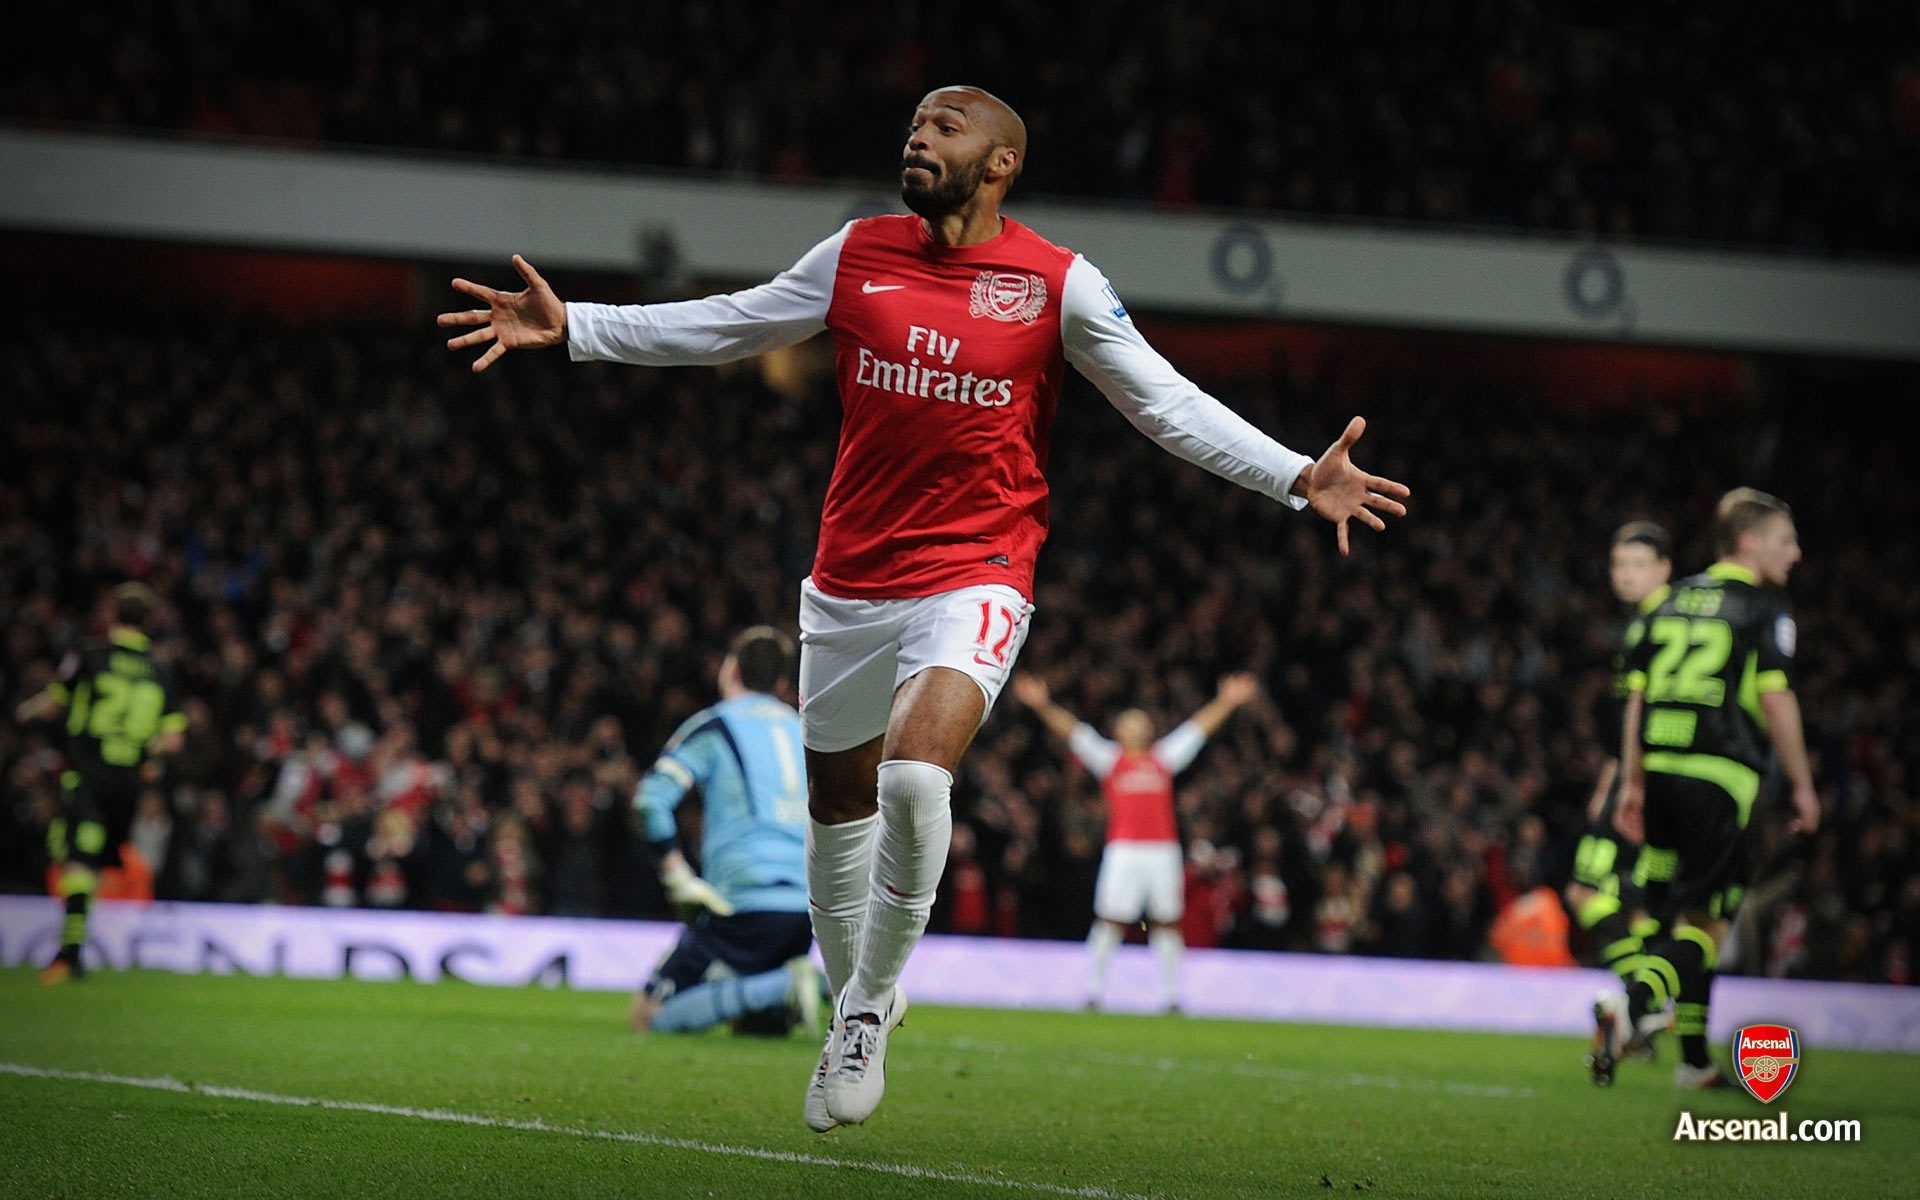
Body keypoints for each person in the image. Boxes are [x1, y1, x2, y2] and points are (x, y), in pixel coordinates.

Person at [440, 84, 1409, 1130]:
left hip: (979, 570)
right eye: (913, 123)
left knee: (912, 778)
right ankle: (857, 980)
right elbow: (731, 323)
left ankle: (863, 1009)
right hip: (850, 584)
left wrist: (1293, 476)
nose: (918, 135)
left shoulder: (1054, 283)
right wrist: (580, 325)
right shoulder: (857, 253)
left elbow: (1163, 401)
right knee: (837, 820)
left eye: (946, 126)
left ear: (1001, 164)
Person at [1615, 489, 1820, 1089]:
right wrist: (1804, 785)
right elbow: (1775, 697)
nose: (1798, 553)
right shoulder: (1764, 606)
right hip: (1720, 780)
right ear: (1750, 542)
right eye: (1787, 540)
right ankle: (1636, 1002)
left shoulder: (1669, 599)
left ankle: (1695, 1061)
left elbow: (1636, 698)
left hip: (1658, 774)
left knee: (1676, 915)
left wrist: (1632, 779)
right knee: (1710, 925)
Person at [1011, 671, 1260, 1013]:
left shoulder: (1163, 758)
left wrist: (1227, 701)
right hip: (1124, 850)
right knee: (1111, 919)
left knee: (1166, 920)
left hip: (1162, 851)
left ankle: (1172, 997)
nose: (1136, 726)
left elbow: (1198, 729)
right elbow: (1073, 732)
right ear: (1120, 731)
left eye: (1141, 722)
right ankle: (1092, 991)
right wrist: (1043, 706)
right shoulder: (1110, 759)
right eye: (1130, 722)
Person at [629, 627, 822, 1041]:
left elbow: (651, 800)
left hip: (741, 902)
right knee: (753, 1030)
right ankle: (780, 990)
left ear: (729, 669)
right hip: (804, 911)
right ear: (783, 684)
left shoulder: (716, 726)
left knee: (647, 1017)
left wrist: (677, 876)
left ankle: (789, 986)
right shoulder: (806, 730)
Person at [13, 583, 186, 984]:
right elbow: (173, 738)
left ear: (112, 615)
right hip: (128, 784)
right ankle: (74, 948)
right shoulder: (161, 669)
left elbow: (56, 701)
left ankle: (69, 953)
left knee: (76, 860)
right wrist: (145, 753)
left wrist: (23, 711)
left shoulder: (90, 655)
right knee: (93, 864)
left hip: (89, 774)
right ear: (150, 621)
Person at [1573, 521, 1673, 1085]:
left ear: (1664, 567)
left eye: (1636, 563)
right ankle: (1639, 1005)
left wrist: (1626, 783)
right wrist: (1611, 774)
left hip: (1646, 782)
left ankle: (1641, 1001)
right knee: (1633, 906)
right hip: (1634, 777)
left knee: (1587, 891)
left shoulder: (1660, 625)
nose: (1624, 574)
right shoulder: (1644, 625)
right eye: (1617, 564)